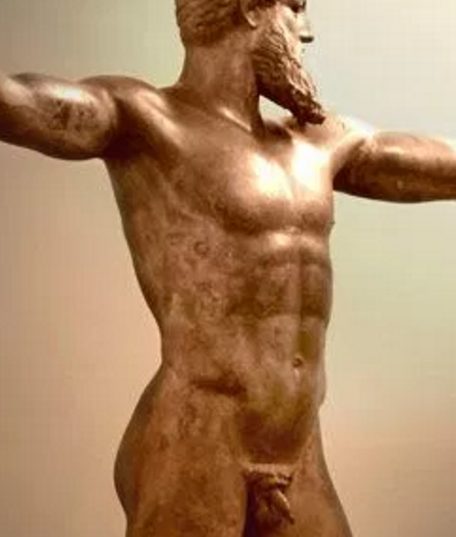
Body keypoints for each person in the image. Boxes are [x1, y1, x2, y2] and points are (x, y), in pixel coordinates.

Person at [1, 0, 455, 536]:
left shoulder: (316, 143)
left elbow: (424, 164)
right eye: (294, 9)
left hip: (297, 444)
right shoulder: (146, 119)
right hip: (200, 436)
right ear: (249, 11)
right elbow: (25, 104)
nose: (305, 32)